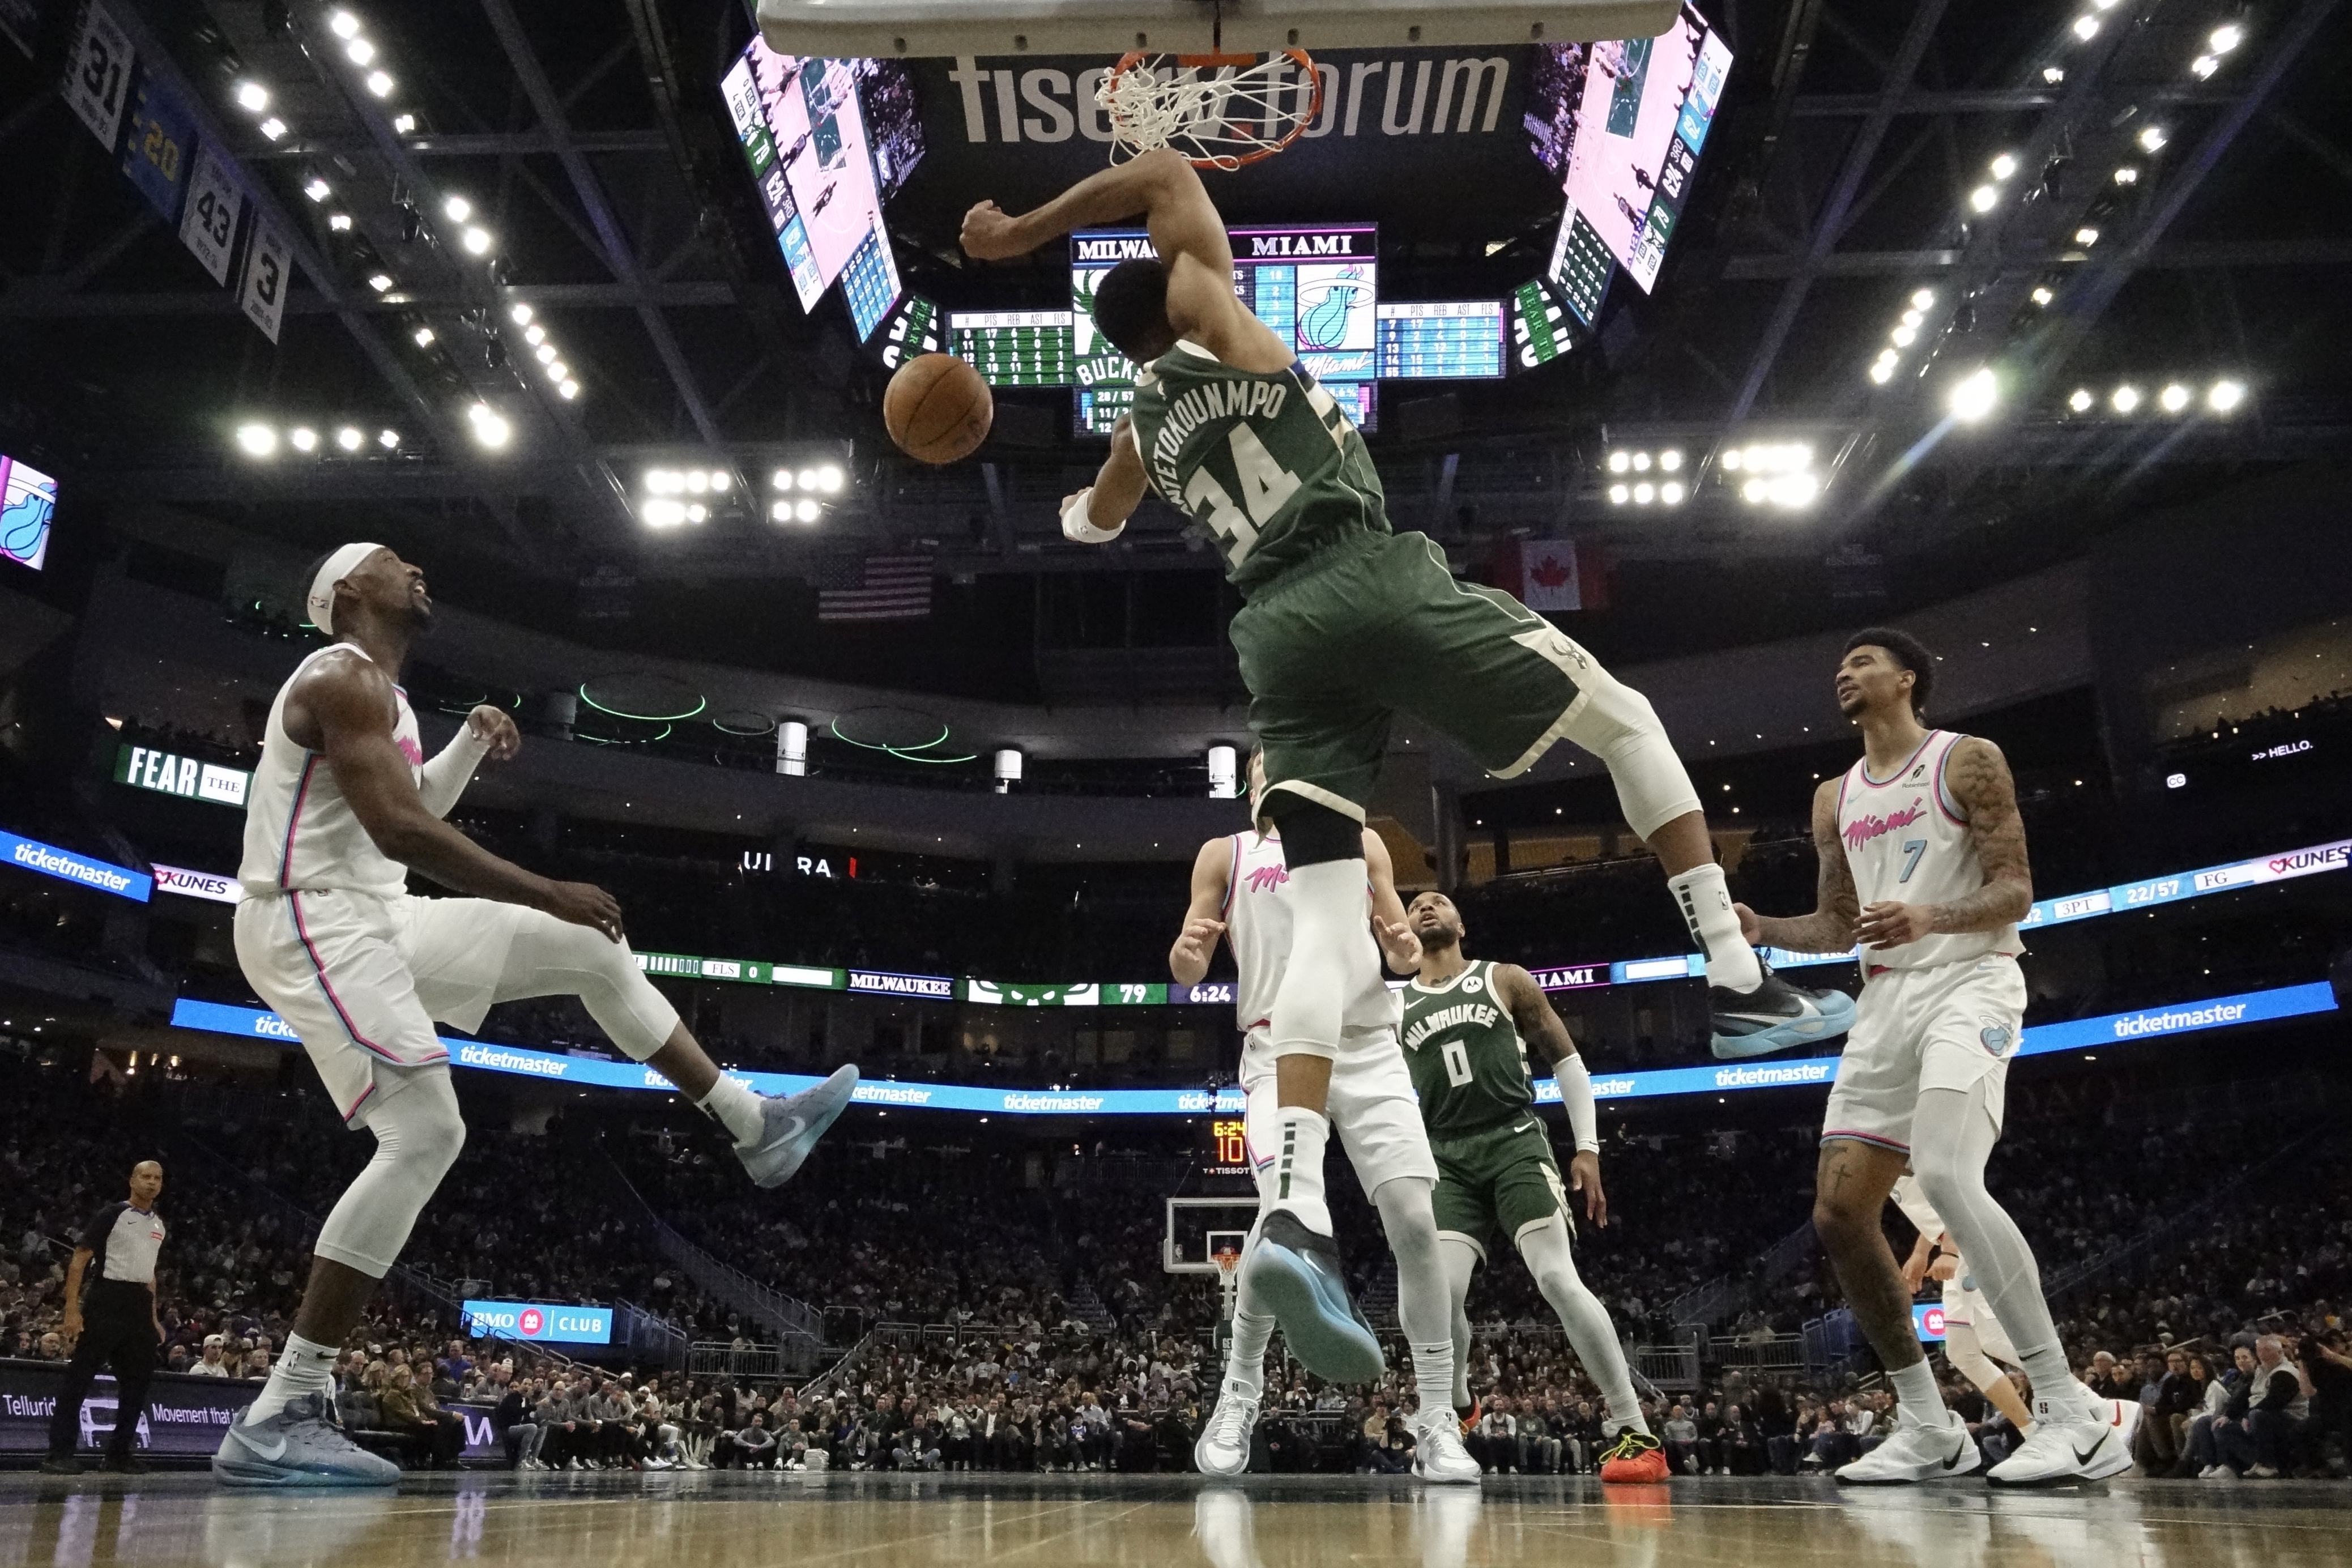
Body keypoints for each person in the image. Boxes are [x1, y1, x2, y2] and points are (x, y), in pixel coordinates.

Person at [965, 151, 1849, 1337]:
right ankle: (1735, 976)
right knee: (1625, 719)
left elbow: (1095, 519)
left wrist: (1070, 503)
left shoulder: (1141, 428)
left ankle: (1294, 1214)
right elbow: (1167, 170)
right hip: (1361, 575)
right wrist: (1020, 231)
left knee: (1327, 932)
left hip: (1273, 638)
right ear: (1177, 286)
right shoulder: (1220, 321)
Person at [211, 544, 859, 1487]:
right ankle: (283, 1407)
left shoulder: (381, 696)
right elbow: (400, 830)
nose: (419, 569)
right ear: (352, 593)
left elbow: (405, 803)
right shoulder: (337, 676)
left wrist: (467, 744)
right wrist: (544, 885)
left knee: (594, 950)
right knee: (427, 1128)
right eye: (397, 563)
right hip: (308, 915)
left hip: (373, 912)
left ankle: (751, 1124)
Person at [1739, 629, 2138, 1485]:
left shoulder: (1967, 760)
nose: (1845, 672)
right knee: (1840, 1217)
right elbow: (1839, 923)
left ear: (1907, 678)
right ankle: (1930, 1427)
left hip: (1972, 979)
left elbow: (2017, 889)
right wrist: (1763, 930)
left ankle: (2073, 1414)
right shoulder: (1831, 796)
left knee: (1950, 1176)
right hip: (1884, 1000)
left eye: (1863, 661)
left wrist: (1933, 916)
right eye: (1840, 665)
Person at [1169, 754, 1478, 1485]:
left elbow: (1400, 952)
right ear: (1253, 786)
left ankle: (1437, 1419)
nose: (1276, 769)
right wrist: (1188, 953)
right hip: (1277, 1045)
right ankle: (1238, 1394)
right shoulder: (1225, 853)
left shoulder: (1363, 840)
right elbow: (1189, 964)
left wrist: (1401, 943)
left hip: (1369, 1045)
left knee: (1414, 1220)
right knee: (1279, 1217)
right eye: (1262, 764)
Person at [1397, 889, 1665, 1484]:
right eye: (1415, 903)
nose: (1427, 905)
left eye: (1439, 899)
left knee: (1555, 1276)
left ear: (1461, 922)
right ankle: (1458, 1402)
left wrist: (1588, 1146)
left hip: (1514, 1137)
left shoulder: (1504, 978)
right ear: (1405, 930)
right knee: (1437, 1296)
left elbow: (1567, 1059)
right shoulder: (1396, 1005)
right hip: (1444, 1154)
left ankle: (1634, 1428)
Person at [42, 1160, 169, 1475]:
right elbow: (80, 1259)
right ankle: (58, 1453)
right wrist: (72, 1309)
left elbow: (150, 1276)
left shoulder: (159, 1224)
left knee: (138, 1383)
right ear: (132, 1180)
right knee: (81, 1377)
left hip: (139, 1304)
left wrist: (153, 1319)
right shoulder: (112, 1215)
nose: (151, 1183)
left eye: (157, 1178)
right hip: (107, 1297)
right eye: (146, 1177)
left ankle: (118, 1454)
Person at [1889, 1174, 2037, 1440]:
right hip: (1957, 1243)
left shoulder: (1903, 1145)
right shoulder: (1883, 1155)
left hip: (1972, 1242)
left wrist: (1950, 1251)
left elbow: (1953, 1194)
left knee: (1995, 1341)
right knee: (1961, 1352)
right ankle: (2034, 1433)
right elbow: (1933, 1211)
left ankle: (2096, 1409)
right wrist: (1922, 1251)